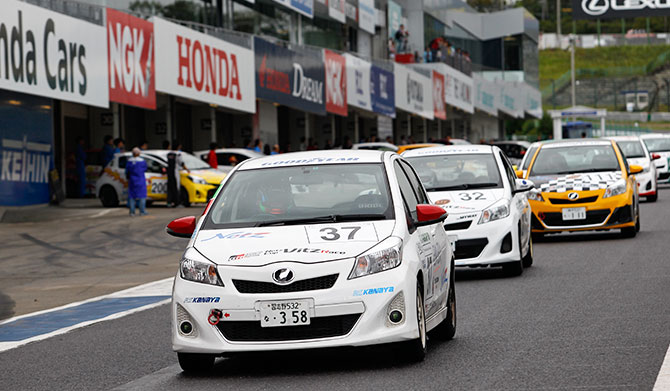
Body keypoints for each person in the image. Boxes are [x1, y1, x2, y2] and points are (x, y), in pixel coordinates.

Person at [126, 147, 148, 216]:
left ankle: (132, 212)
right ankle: (142, 211)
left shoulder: (129, 161)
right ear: (138, 153)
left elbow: (127, 171)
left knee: (132, 196)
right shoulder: (142, 161)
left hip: (132, 180)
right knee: (142, 196)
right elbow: (145, 168)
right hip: (140, 180)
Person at [166, 141, 186, 207]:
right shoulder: (178, 154)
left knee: (170, 187)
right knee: (176, 187)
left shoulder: (169, 154)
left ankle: (169, 202)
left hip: (169, 172)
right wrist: (187, 169)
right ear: (178, 146)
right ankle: (177, 203)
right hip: (175, 172)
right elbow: (181, 163)